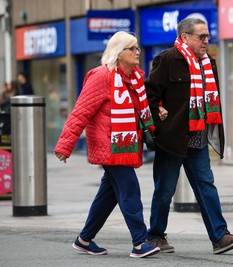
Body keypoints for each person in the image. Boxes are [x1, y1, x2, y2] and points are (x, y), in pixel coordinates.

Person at [145, 18, 233, 255]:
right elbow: (149, 95)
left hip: (198, 137)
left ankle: (220, 237)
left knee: (206, 185)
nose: (206, 41)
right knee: (164, 189)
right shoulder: (167, 59)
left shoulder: (208, 63)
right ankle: (156, 236)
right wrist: (158, 118)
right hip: (172, 138)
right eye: (201, 37)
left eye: (207, 36)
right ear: (184, 37)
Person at [54, 31, 160, 258]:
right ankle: (140, 243)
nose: (137, 52)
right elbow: (80, 112)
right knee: (129, 188)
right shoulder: (102, 76)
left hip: (125, 144)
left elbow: (136, 109)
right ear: (118, 52)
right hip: (111, 145)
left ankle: (84, 239)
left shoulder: (133, 78)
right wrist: (65, 145)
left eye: (137, 48)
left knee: (109, 194)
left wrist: (156, 111)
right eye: (132, 49)